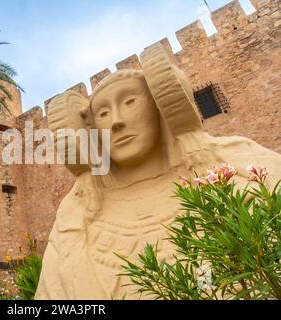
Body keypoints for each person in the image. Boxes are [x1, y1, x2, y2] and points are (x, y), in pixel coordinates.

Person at [35, 43, 281, 299]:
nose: (117, 121)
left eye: (130, 102)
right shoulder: (76, 213)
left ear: (159, 105)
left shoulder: (240, 165)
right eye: (104, 113)